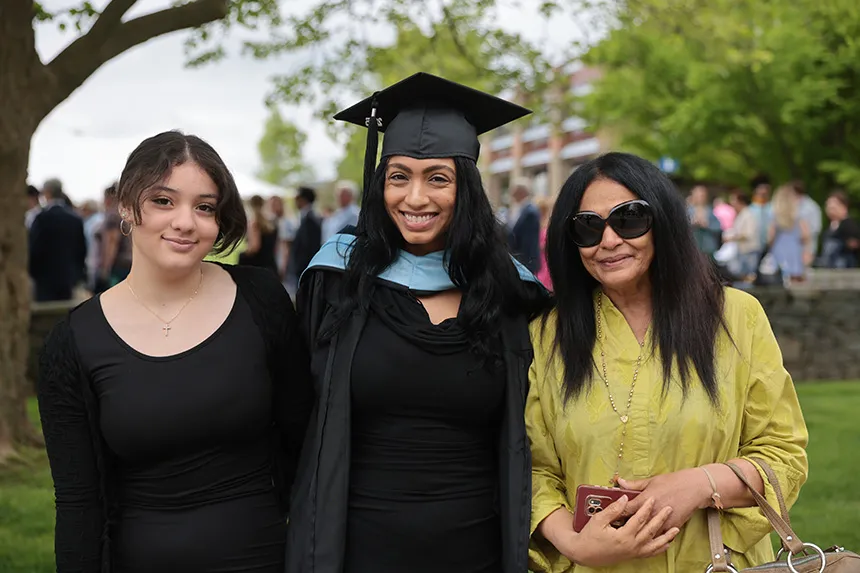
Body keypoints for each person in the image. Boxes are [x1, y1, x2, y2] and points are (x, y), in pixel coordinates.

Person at [287, 72, 550, 573]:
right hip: (356, 547)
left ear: (466, 188)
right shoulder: (338, 278)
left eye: (438, 178)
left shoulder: (511, 293)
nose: (414, 198)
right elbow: (300, 411)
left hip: (479, 548)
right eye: (399, 176)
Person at [37, 130, 314, 573]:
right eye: (163, 201)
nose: (186, 222)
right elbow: (78, 503)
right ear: (126, 206)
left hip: (263, 557)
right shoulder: (72, 343)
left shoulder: (261, 299)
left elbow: (305, 439)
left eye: (204, 207)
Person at [527, 152, 808, 572]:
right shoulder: (547, 335)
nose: (608, 241)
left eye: (629, 219)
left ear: (664, 221)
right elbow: (533, 468)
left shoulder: (735, 318)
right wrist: (574, 542)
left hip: (714, 563)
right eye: (587, 226)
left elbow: (783, 455)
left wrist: (699, 484)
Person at [28, 178, 87, 302]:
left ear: (47, 192)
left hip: (44, 278)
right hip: (68, 277)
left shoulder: (41, 218)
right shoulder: (75, 218)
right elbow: (82, 249)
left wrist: (33, 272)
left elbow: (34, 247)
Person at [285, 186, 322, 293]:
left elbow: (309, 246)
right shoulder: (305, 217)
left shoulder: (310, 219)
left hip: (304, 268)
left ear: (303, 199)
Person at [769, 184, 809, 282]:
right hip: (794, 249)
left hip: (778, 249)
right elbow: (805, 235)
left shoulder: (774, 215)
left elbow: (770, 237)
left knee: (779, 278)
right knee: (795, 278)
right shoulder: (798, 214)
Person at [507, 177, 542, 272]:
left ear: (521, 192)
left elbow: (529, 241)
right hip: (518, 261)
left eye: (514, 190)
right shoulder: (516, 209)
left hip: (526, 262)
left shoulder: (530, 212)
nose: (511, 193)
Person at [818, 190, 860, 268]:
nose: (830, 210)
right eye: (828, 207)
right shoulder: (830, 226)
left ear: (844, 207)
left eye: (834, 208)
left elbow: (854, 244)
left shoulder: (849, 225)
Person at [239, 194, 279, 272]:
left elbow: (254, 247)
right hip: (270, 265)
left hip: (257, 267)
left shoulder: (254, 223)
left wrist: (242, 254)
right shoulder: (270, 223)